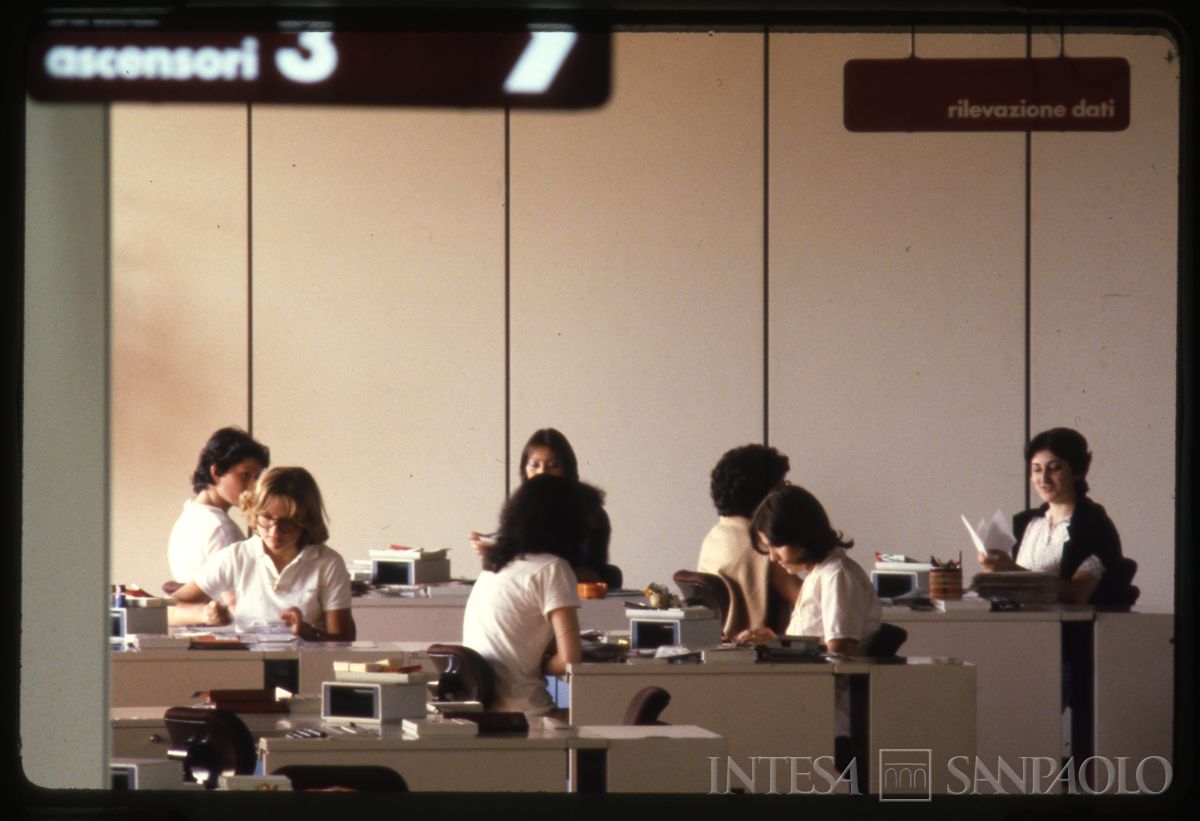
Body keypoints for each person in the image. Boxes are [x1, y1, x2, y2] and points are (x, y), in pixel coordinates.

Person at [172, 466, 356, 641]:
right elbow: (168, 611)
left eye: (287, 522)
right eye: (267, 517)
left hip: (305, 660)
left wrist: (306, 631)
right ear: (254, 512)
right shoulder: (238, 556)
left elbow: (343, 640)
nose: (274, 531)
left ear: (305, 521)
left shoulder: (327, 563)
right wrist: (204, 614)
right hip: (251, 660)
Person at [462, 473, 591, 715]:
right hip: (525, 714)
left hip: (483, 714)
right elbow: (570, 659)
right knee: (604, 718)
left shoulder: (495, 568)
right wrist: (539, 663)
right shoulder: (552, 568)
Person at [980, 427, 1133, 607]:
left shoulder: (1094, 524)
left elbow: (1077, 594)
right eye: (1036, 469)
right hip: (1022, 622)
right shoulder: (1026, 523)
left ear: (1077, 471)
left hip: (1067, 624)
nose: (1044, 479)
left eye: (1054, 468)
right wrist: (995, 572)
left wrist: (1012, 570)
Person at [734, 485, 881, 657]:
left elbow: (839, 655)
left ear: (801, 534)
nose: (773, 557)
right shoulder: (817, 574)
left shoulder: (837, 575)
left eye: (777, 546)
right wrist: (775, 642)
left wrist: (777, 644)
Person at [470, 428, 614, 585]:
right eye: (534, 465)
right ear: (524, 469)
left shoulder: (588, 510)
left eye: (553, 465)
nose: (543, 472)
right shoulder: (522, 509)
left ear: (567, 469)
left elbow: (595, 575)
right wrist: (495, 551)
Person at [697, 444, 799, 637]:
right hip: (759, 647)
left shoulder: (715, 536)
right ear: (763, 492)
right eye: (781, 486)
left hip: (721, 645)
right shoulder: (761, 545)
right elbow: (808, 602)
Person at [167, 427, 269, 584]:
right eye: (246, 475)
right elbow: (239, 591)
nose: (253, 486)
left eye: (256, 477)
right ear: (216, 472)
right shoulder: (221, 528)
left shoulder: (189, 515)